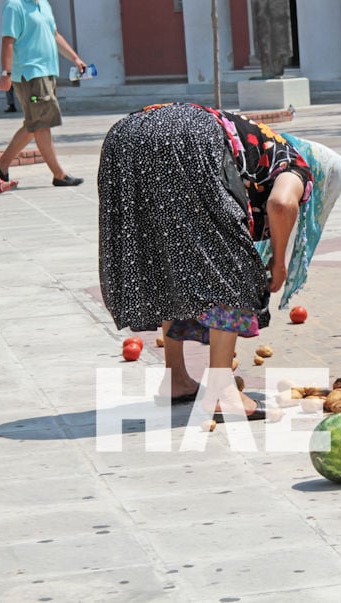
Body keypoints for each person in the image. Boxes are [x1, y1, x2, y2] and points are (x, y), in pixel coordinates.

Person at [98, 103, 314, 420]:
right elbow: (281, 203)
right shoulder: (297, 165)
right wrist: (278, 263)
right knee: (235, 272)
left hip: (125, 136)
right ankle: (222, 392)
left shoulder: (259, 144)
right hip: (190, 137)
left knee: (167, 259)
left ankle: (176, 379)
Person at [0, 0, 86, 188]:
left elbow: (54, 34)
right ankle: (59, 174)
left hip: (47, 72)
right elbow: (8, 40)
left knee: (34, 122)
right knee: (41, 123)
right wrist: (6, 72)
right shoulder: (14, 5)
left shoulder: (43, 3)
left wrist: (74, 57)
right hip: (30, 74)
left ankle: (1, 165)